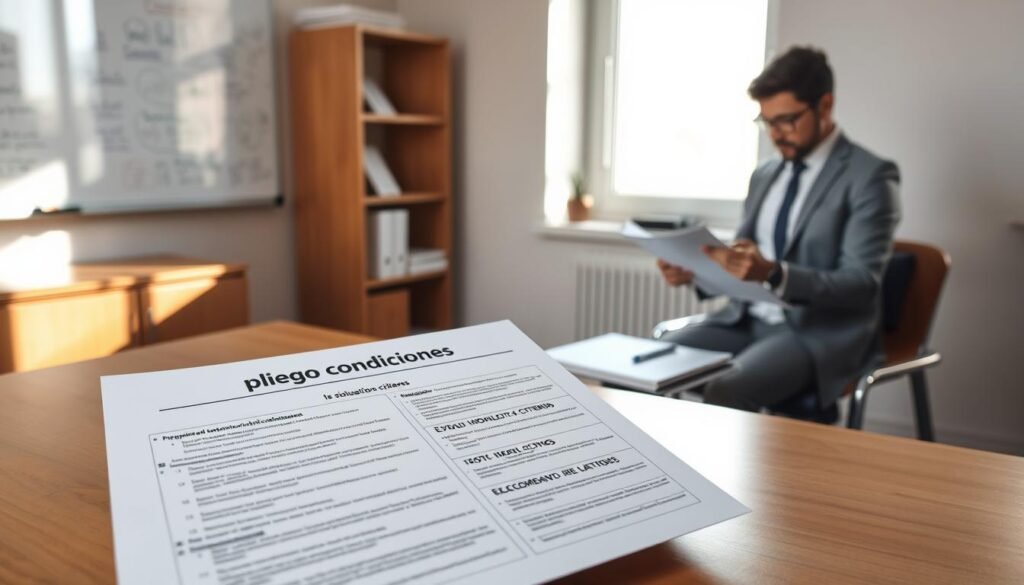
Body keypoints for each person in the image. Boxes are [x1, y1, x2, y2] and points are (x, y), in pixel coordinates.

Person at [657, 46, 900, 415]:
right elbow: (744, 260)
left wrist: (775, 274)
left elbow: (861, 284)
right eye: (767, 122)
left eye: (787, 120)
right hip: (744, 318)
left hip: (815, 332)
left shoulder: (869, 177)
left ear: (824, 106)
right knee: (648, 364)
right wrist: (694, 272)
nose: (776, 134)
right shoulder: (766, 174)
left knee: (727, 390)